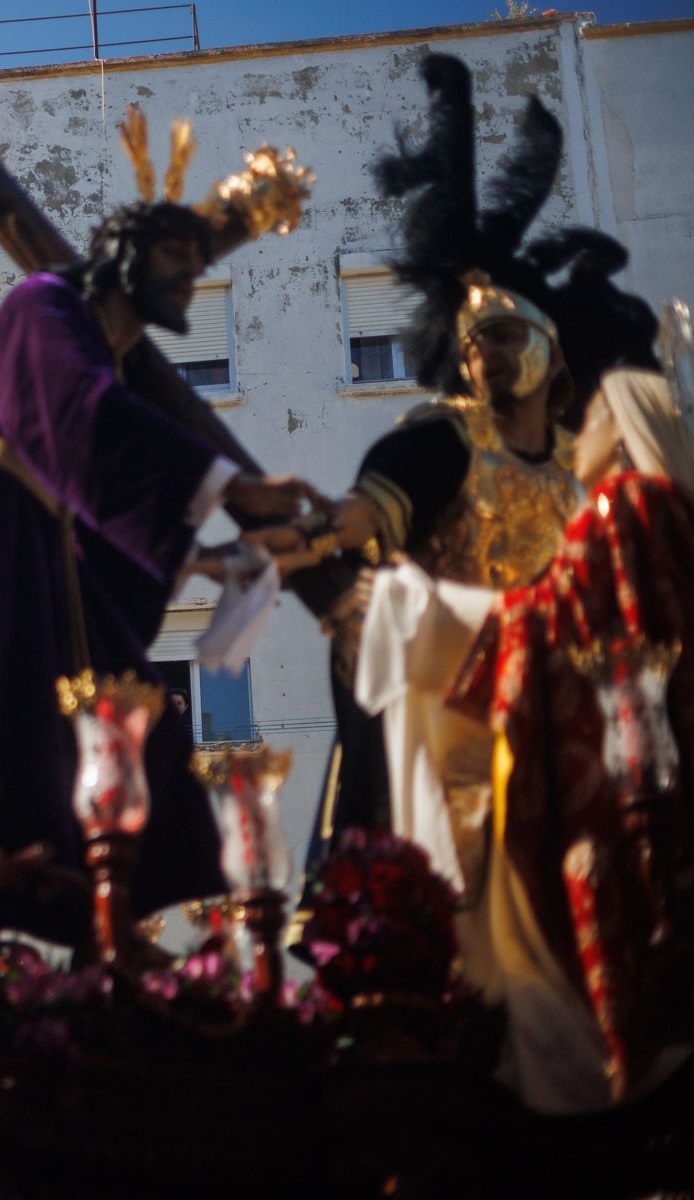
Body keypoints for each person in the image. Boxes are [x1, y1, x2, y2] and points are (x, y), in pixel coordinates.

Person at [0, 119, 315, 945]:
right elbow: (82, 420)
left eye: (197, 263)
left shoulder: (111, 361)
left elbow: (101, 490)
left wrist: (211, 559)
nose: (191, 279)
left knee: (123, 714)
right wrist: (236, 489)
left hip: (42, 546)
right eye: (176, 260)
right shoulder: (44, 302)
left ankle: (99, 919)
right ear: (122, 255)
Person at [281, 57, 586, 910]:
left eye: (501, 332)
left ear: (553, 348)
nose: (482, 351)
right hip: (457, 729)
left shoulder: (589, 465)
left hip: (567, 731)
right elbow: (369, 514)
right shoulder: (443, 440)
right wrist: (308, 535)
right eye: (472, 338)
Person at [444, 366, 694, 1113]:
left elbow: (561, 615)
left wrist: (425, 610)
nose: (574, 438)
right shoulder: (675, 516)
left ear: (619, 428)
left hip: (625, 780)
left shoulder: (620, 504)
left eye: (587, 421)